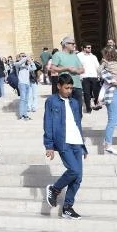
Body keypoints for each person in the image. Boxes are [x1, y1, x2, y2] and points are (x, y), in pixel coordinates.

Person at [44, 74, 88, 220]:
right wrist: (49, 145)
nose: (69, 91)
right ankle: (55, 189)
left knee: (78, 177)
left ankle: (67, 208)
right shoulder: (51, 101)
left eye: (71, 88)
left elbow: (78, 124)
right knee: (74, 170)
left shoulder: (75, 103)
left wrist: (83, 145)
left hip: (76, 142)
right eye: (66, 88)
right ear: (59, 86)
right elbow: (48, 123)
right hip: (63, 142)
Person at [50, 36, 85, 115]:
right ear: (65, 44)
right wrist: (66, 68)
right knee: (67, 111)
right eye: (72, 44)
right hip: (65, 86)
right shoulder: (57, 54)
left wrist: (76, 70)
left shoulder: (75, 55)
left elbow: (82, 69)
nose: (74, 45)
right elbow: (52, 68)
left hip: (77, 86)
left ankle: (77, 126)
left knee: (78, 111)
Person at [77, 42, 101, 113]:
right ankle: (88, 108)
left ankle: (96, 103)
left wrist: (99, 75)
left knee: (96, 92)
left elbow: (97, 66)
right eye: (88, 47)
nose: (90, 49)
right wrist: (79, 76)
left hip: (94, 76)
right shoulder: (79, 56)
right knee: (86, 93)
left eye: (90, 47)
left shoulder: (93, 56)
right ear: (84, 48)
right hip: (84, 76)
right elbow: (78, 66)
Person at [14, 53, 37, 120]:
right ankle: (21, 115)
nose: (24, 57)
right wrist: (26, 57)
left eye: (24, 56)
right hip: (21, 84)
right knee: (23, 99)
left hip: (27, 84)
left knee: (26, 100)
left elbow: (34, 67)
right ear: (19, 58)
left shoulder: (28, 66)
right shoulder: (17, 64)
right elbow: (20, 63)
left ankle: (25, 114)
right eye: (22, 56)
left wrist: (30, 60)